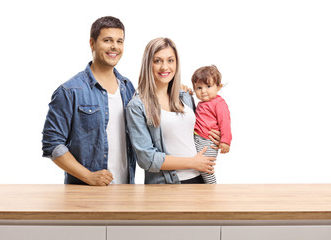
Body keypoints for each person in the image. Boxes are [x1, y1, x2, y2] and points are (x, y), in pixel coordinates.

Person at [42, 16, 136, 186]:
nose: (115, 46)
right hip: (86, 194)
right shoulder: (70, 91)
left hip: (126, 190)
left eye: (119, 41)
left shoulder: (128, 87)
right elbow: (52, 144)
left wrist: (177, 88)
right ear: (92, 43)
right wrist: (88, 176)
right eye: (108, 40)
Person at [126, 37, 220, 184]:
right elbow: (146, 158)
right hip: (168, 183)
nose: (165, 67)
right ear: (148, 64)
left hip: (201, 178)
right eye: (157, 61)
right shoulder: (137, 106)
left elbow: (191, 134)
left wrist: (213, 134)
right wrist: (192, 163)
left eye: (170, 60)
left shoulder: (185, 97)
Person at [191, 65, 232, 184]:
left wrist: (225, 141)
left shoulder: (218, 103)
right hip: (198, 139)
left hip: (208, 142)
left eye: (208, 86)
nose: (203, 91)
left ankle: (212, 188)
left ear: (218, 87)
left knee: (205, 169)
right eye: (199, 87)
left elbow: (225, 122)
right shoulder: (202, 103)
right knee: (197, 167)